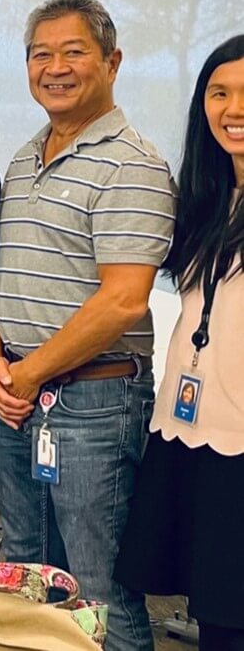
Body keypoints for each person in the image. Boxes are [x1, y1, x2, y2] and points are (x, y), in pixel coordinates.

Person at [0, 0, 173, 651]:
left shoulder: (133, 163)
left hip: (92, 401)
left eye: (73, 53)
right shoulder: (24, 158)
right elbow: (10, 275)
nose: (55, 68)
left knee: (97, 586)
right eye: (41, 54)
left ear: (112, 61)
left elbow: (123, 301)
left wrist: (27, 373)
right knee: (29, 575)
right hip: (20, 399)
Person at [116, 35, 244, 650]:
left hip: (240, 443)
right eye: (220, 92)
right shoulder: (207, 203)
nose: (233, 108)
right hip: (192, 430)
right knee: (215, 616)